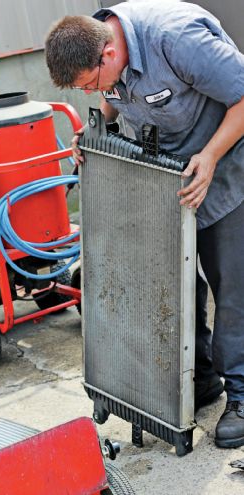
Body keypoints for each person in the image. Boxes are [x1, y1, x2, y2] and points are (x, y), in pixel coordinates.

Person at [45, 1, 244, 449]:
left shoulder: (176, 41)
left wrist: (210, 157)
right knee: (175, 281)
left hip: (228, 169)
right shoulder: (100, 46)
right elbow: (113, 98)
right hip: (169, 178)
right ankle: (204, 376)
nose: (94, 91)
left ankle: (242, 395)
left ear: (109, 54)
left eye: (91, 84)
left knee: (232, 287)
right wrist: (95, 132)